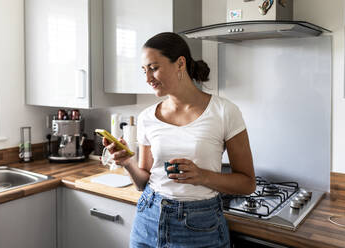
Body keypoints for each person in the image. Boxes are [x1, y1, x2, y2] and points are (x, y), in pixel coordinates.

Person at [103, 32, 256, 248]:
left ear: (180, 63)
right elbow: (143, 183)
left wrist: (202, 176)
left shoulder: (224, 111)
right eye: (144, 71)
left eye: (154, 68)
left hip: (201, 227)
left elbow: (248, 183)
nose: (147, 78)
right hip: (148, 219)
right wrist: (127, 161)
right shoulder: (147, 116)